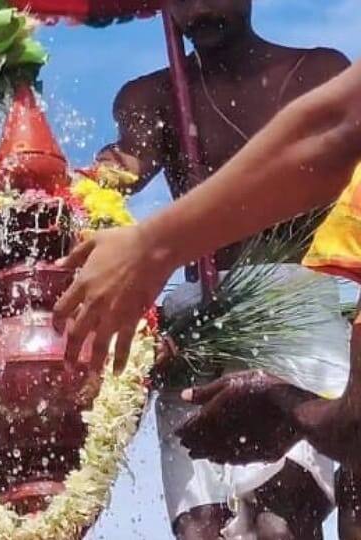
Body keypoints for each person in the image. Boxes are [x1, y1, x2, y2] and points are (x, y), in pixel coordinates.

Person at [63, 0, 350, 537]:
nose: (197, 8)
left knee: (278, 520)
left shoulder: (319, 71)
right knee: (201, 528)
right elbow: (121, 169)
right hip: (194, 323)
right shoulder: (150, 96)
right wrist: (70, 193)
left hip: (298, 302)